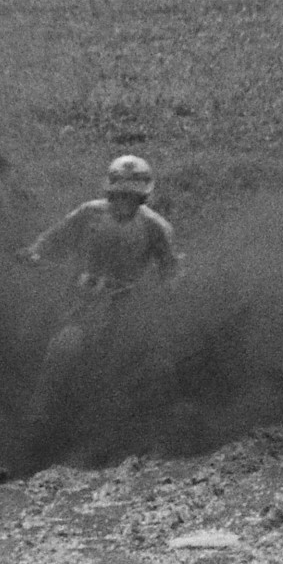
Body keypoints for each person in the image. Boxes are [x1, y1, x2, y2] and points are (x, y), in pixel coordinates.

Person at [21, 155, 181, 419]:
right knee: (62, 345)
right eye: (119, 195)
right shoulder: (89, 213)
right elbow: (56, 236)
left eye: (131, 196)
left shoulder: (156, 227)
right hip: (82, 296)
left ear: (143, 197)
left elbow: (170, 265)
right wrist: (36, 252)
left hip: (126, 301)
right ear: (110, 192)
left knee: (143, 360)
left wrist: (168, 288)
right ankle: (38, 410)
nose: (124, 201)